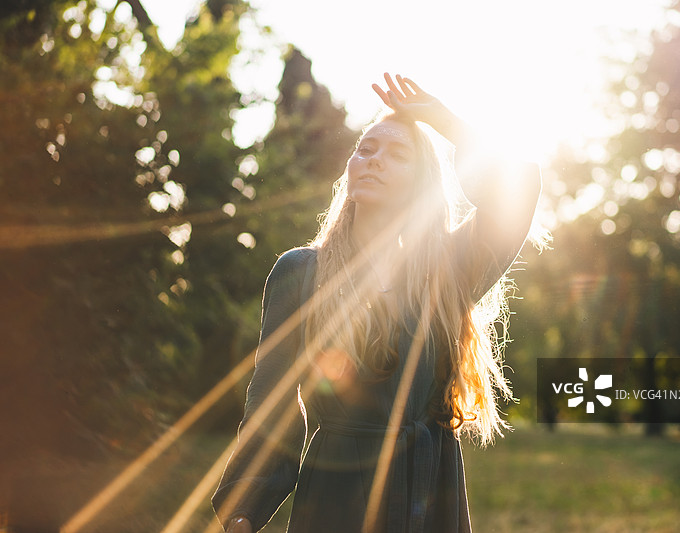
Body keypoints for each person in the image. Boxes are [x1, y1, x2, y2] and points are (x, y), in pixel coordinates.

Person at [212, 73, 543, 533]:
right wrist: (243, 511)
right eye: (365, 149)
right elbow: (272, 403)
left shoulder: (451, 268)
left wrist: (442, 120)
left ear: (422, 183)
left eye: (396, 153)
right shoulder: (300, 273)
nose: (374, 160)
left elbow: (518, 185)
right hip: (335, 498)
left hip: (430, 497)